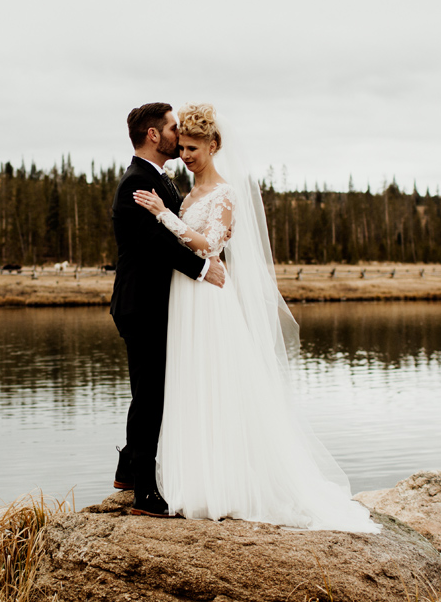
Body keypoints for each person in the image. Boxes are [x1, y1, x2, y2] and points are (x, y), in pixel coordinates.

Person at [131, 104, 379, 532]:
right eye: (182, 146)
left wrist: (162, 215)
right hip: (185, 298)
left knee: (218, 383)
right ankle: (193, 479)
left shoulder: (226, 194)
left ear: (213, 145)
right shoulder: (188, 194)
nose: (185, 154)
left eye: (193, 147)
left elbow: (209, 247)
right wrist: (169, 211)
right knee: (191, 383)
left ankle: (228, 483)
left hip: (209, 299)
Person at [110, 102, 227, 518]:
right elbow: (154, 244)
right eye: (174, 128)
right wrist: (202, 269)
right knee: (150, 393)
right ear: (154, 135)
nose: (180, 135)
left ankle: (128, 469)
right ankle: (144, 492)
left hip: (159, 303)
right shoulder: (135, 184)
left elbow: (179, 232)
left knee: (150, 389)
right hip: (140, 304)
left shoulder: (160, 180)